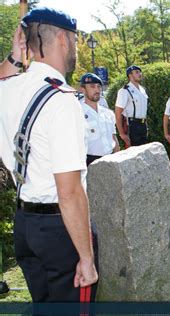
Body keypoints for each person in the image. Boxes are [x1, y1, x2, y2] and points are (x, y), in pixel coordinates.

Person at [0, 8, 98, 302]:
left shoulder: (9, 89)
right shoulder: (62, 101)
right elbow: (68, 192)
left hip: (25, 224)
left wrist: (14, 58)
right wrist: (87, 258)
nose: (76, 48)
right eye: (75, 40)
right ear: (62, 40)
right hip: (59, 230)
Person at [79, 73, 119, 166]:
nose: (97, 90)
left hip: (111, 159)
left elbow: (114, 138)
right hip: (89, 162)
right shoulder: (78, 113)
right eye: (92, 86)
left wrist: (118, 159)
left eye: (98, 86)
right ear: (83, 90)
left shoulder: (108, 113)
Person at [115, 65, 148, 147]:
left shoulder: (143, 90)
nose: (140, 74)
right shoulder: (125, 90)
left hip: (143, 125)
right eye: (136, 72)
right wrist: (122, 133)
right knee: (133, 154)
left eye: (140, 72)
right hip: (132, 125)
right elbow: (118, 112)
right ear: (130, 75)